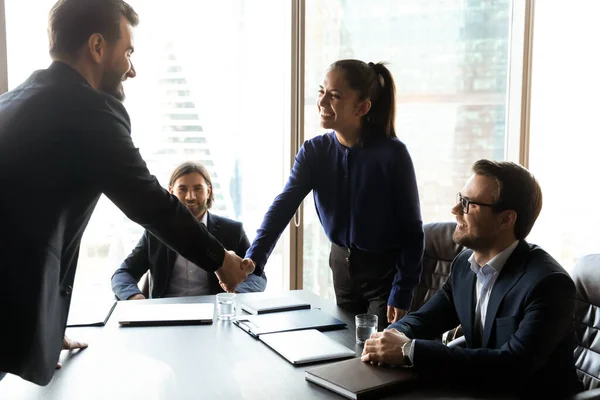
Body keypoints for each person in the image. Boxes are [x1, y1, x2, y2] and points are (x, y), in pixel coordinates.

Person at [0, 0, 252, 386]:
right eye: (128, 51)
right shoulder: (90, 112)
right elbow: (151, 203)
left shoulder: (13, 101)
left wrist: (41, 335)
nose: (132, 69)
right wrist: (221, 261)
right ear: (97, 47)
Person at [361, 160, 582, 398]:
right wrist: (389, 337)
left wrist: (410, 350)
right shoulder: (464, 266)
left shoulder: (548, 284)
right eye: (460, 198)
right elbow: (425, 319)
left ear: (506, 219)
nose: (455, 210)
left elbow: (513, 366)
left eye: (468, 204)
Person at [245, 59, 424, 329]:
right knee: (347, 349)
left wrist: (403, 290)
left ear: (362, 107)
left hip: (384, 275)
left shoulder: (393, 155)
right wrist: (254, 259)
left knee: (376, 353)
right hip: (341, 266)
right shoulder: (314, 151)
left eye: (335, 95)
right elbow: (283, 206)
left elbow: (413, 231)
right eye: (321, 91)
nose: (322, 101)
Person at [111, 162, 267, 300]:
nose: (190, 197)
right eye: (183, 189)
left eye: (198, 189)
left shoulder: (232, 230)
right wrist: (134, 297)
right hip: (166, 319)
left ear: (209, 191)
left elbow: (258, 277)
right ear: (171, 192)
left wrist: (235, 295)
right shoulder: (155, 233)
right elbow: (123, 274)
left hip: (216, 315)